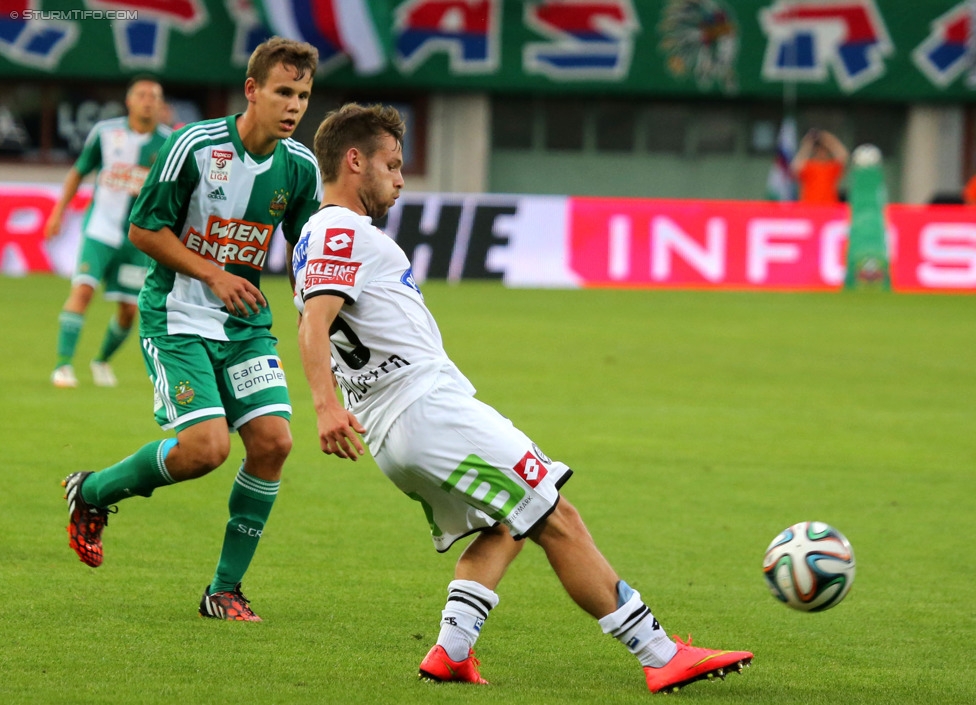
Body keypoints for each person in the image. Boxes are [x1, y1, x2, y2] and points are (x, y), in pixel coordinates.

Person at [291, 103, 753, 694]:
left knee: (512, 521)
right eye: (392, 164)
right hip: (427, 410)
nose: (401, 178)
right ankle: (660, 652)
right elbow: (314, 324)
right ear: (354, 162)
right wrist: (326, 407)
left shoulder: (312, 238)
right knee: (557, 514)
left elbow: (316, 319)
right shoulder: (340, 229)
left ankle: (452, 650)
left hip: (394, 428)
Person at [61, 37, 322, 622]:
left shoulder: (299, 167)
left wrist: (319, 310)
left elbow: (306, 255)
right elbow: (144, 229)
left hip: (245, 325)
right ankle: (95, 491)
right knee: (206, 450)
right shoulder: (194, 146)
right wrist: (213, 273)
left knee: (276, 443)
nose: (294, 106)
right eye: (283, 92)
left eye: (303, 96)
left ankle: (224, 591)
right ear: (252, 90)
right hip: (177, 315)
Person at [46, 76, 171, 388]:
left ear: (160, 104)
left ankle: (101, 361)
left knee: (129, 310)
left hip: (138, 239)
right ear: (129, 101)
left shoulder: (168, 143)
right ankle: (63, 366)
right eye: (141, 95)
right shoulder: (105, 133)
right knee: (83, 290)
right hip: (100, 230)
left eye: (154, 96)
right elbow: (79, 170)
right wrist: (58, 212)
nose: (147, 100)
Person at [791, 128, 849, 204]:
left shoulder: (831, 167)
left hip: (829, 207)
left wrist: (828, 139)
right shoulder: (808, 165)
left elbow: (844, 156)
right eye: (818, 149)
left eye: (823, 150)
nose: (821, 152)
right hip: (809, 207)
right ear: (815, 151)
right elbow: (795, 167)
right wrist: (807, 144)